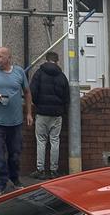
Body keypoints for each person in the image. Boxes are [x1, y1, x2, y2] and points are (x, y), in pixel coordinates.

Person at [0, 45, 33, 197]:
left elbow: (27, 92)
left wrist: (29, 113)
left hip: (16, 121)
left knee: (15, 153)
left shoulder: (19, 72)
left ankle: (15, 179)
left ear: (9, 58)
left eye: (0, 56)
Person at [29, 50, 70, 179]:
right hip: (56, 114)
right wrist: (62, 110)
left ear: (46, 60)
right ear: (57, 61)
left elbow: (32, 92)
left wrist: (38, 104)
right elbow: (66, 96)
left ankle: (40, 169)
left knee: (41, 141)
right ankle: (54, 170)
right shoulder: (62, 76)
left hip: (42, 113)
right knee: (55, 141)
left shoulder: (39, 74)